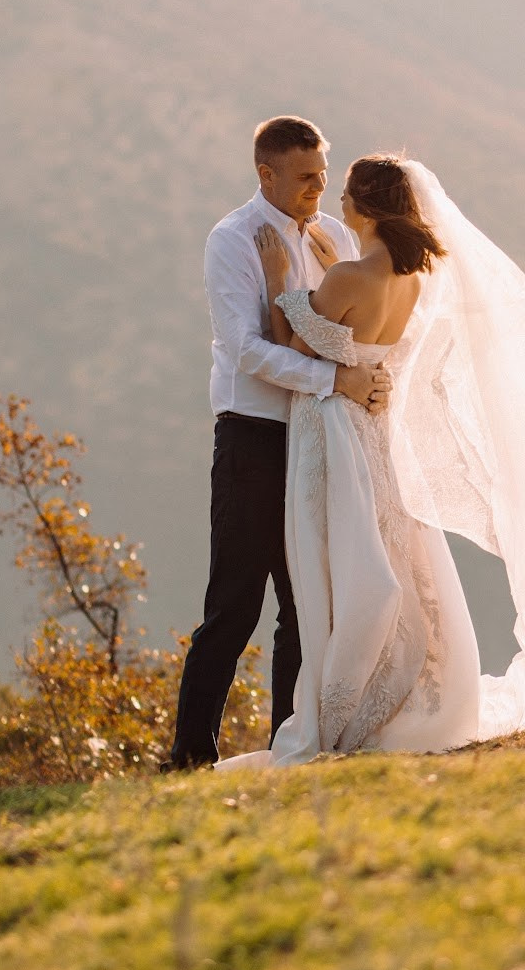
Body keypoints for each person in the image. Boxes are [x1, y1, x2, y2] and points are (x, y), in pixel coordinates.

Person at [222, 151, 525, 767]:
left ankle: (346, 703)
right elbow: (360, 335)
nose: (337, 202)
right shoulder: (407, 278)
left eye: (347, 194)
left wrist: (281, 283)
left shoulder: (348, 279)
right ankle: (402, 687)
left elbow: (290, 344)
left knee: (342, 561)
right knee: (397, 558)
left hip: (335, 430)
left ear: (367, 209)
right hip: (378, 433)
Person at [165, 116, 391, 771]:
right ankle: (187, 755)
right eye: (305, 177)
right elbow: (246, 348)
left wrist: (357, 384)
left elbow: (346, 321)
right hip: (253, 436)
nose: (318, 188)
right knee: (233, 604)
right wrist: (336, 379)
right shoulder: (232, 238)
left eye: (324, 174)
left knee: (305, 605)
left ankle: (287, 750)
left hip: (320, 439)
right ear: (266, 173)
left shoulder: (336, 235)